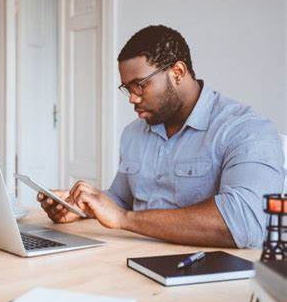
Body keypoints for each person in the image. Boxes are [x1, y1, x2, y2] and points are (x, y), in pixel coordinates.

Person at [38, 25, 284, 248]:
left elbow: (245, 222)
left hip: (204, 276)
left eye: (140, 85)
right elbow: (121, 200)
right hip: (127, 258)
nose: (132, 98)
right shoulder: (134, 133)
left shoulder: (246, 129)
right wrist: (81, 206)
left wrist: (124, 219)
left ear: (177, 72)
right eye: (127, 88)